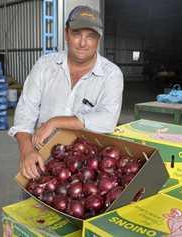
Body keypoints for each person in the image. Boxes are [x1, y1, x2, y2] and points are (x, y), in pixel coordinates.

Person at [8, 5, 124, 180]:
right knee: (33, 199)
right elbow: (26, 109)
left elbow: (107, 120)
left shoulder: (111, 74)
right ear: (66, 34)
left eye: (90, 36)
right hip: (42, 157)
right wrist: (27, 151)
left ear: (98, 40)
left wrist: (55, 122)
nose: (83, 43)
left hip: (87, 166)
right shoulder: (45, 66)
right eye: (77, 34)